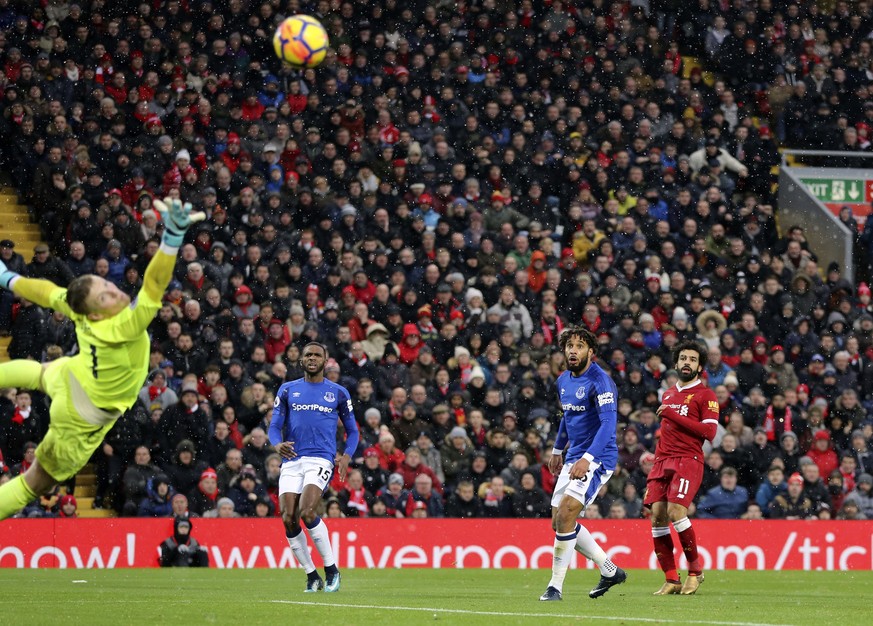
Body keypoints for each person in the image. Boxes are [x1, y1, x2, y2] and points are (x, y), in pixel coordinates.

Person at [0, 198, 204, 518]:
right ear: (95, 313)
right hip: (83, 415)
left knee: (40, 373)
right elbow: (153, 284)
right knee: (35, 482)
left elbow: (45, 292)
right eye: (106, 295)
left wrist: (7, 278)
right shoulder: (125, 325)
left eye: (108, 284)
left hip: (74, 372)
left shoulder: (80, 307)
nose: (115, 291)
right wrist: (171, 240)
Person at [541, 326, 626, 602]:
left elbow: (608, 424)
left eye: (579, 346)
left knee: (566, 515)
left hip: (597, 457)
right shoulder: (563, 380)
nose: (573, 351)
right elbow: (567, 417)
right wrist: (557, 449)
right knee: (558, 521)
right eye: (569, 346)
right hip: (575, 455)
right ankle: (609, 569)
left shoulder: (601, 382)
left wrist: (588, 459)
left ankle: (554, 587)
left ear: (590, 351)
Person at [269, 341, 359, 593]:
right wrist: (277, 445)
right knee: (288, 518)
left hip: (320, 458)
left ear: (325, 360)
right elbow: (275, 425)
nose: (312, 358)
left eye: (317, 355)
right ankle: (312, 575)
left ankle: (332, 571)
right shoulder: (288, 390)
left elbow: (352, 430)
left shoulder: (338, 392)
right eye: (308, 354)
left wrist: (347, 456)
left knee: (308, 511)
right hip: (292, 459)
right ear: (301, 361)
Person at [644, 340, 719, 595]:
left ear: (699, 367)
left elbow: (709, 432)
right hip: (662, 461)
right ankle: (671, 578)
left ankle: (696, 573)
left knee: (677, 512)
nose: (687, 362)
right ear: (676, 363)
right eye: (683, 358)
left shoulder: (705, 395)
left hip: (688, 459)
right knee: (657, 517)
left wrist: (673, 415)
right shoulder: (668, 394)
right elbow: (667, 432)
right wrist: (653, 457)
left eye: (693, 359)